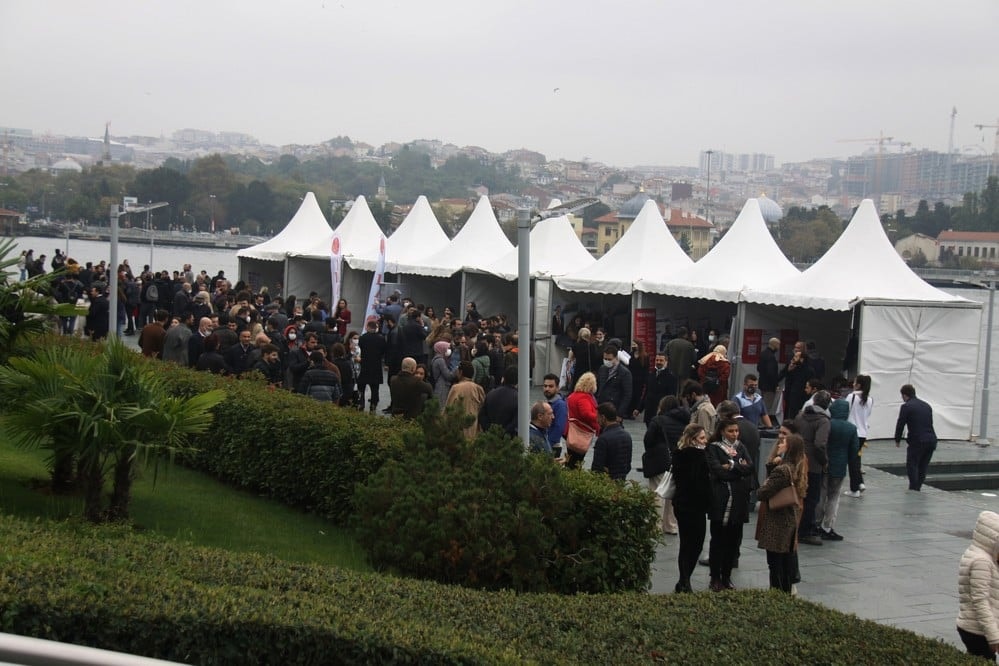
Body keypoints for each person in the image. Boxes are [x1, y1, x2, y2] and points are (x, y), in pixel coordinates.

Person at [705, 418, 755, 591]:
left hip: (739, 502)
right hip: (721, 501)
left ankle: (726, 576)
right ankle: (715, 577)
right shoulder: (713, 448)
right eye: (731, 431)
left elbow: (750, 467)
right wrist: (737, 468)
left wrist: (731, 466)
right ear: (722, 431)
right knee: (718, 540)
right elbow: (718, 471)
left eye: (736, 431)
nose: (734, 434)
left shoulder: (741, 447)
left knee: (733, 542)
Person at [756, 432, 808, 593]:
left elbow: (763, 492)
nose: (779, 445)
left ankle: (777, 596)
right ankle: (784, 593)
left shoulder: (783, 470)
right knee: (785, 562)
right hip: (789, 520)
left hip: (777, 523)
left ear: (789, 448)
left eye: (783, 443)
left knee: (775, 565)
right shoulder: (797, 467)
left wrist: (772, 468)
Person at [671, 423, 711, 593]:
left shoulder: (678, 454)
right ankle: (685, 580)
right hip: (696, 506)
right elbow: (702, 483)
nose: (705, 441)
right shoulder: (700, 457)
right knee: (695, 544)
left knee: (685, 543)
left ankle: (684, 580)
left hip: (681, 504)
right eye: (702, 438)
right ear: (693, 439)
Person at [957, 510, 999, 660]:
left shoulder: (978, 554)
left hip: (972, 626)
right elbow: (980, 601)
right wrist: (994, 637)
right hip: (977, 630)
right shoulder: (982, 562)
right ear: (993, 541)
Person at [815, 398, 859, 541]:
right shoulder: (851, 428)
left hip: (825, 464)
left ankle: (816, 523)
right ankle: (827, 526)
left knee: (821, 494)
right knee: (834, 497)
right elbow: (854, 451)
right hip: (840, 467)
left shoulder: (828, 424)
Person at [643, 396, 687, 535]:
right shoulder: (684, 421)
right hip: (678, 461)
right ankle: (671, 525)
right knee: (672, 495)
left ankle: (655, 525)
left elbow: (648, 440)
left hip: (660, 461)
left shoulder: (658, 420)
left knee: (657, 493)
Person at [794, 390, 831, 546]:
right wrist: (824, 462)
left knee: (797, 495)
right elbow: (820, 445)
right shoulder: (823, 421)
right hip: (813, 465)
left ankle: (794, 527)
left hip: (797, 460)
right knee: (812, 498)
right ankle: (805, 531)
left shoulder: (800, 416)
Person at [895, 384, 938, 491]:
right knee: (923, 465)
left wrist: (897, 439)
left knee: (912, 464)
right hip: (931, 439)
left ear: (904, 395)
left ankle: (914, 487)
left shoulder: (906, 406)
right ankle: (918, 486)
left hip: (918, 440)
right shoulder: (927, 405)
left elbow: (901, 423)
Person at [843, 374, 873, 497]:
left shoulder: (852, 397)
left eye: (855, 382)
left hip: (852, 432)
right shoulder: (870, 399)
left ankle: (854, 488)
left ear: (858, 384)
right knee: (856, 458)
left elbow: (845, 410)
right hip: (863, 433)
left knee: (852, 461)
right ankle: (859, 482)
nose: (853, 384)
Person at [564, 371, 599, 470]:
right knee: (577, 461)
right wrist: (598, 417)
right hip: (581, 431)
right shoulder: (584, 397)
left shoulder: (573, 395)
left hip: (571, 431)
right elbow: (586, 414)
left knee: (570, 459)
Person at [445, 361, 486, 441]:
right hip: (474, 428)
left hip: (459, 429)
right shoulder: (479, 388)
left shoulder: (456, 388)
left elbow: (448, 410)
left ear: (461, 372)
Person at [590, 402, 631, 480]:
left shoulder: (603, 439)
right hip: (621, 479)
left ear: (603, 417)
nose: (596, 420)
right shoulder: (627, 436)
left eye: (597, 417)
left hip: (606, 482)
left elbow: (597, 468)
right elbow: (628, 464)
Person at [635, 352, 677, 424]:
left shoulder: (671, 378)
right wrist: (639, 409)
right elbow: (646, 393)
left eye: (661, 360)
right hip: (649, 411)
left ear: (666, 362)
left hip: (662, 412)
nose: (658, 362)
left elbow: (671, 397)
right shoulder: (651, 375)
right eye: (657, 360)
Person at [478, 366, 519, 437]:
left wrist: (490, 430)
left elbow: (482, 416)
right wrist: (503, 432)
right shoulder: (518, 398)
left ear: (504, 378)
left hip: (490, 438)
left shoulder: (491, 394)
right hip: (509, 440)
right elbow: (516, 422)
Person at [357, 319, 387, 413]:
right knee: (375, 388)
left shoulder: (362, 338)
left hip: (365, 364)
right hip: (376, 365)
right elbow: (383, 351)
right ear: (376, 328)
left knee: (361, 386)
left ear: (368, 327)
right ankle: (373, 406)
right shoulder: (381, 338)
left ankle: (361, 403)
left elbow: (360, 348)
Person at [779, 340, 814, 419]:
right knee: (788, 414)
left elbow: (811, 375)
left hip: (801, 394)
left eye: (798, 348)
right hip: (790, 392)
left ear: (803, 350)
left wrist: (799, 364)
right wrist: (789, 369)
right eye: (795, 347)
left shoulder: (808, 363)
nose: (795, 349)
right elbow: (782, 374)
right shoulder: (791, 360)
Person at [596, 344, 633, 418]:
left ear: (616, 358)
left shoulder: (625, 373)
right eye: (605, 359)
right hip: (601, 406)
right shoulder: (602, 369)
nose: (606, 361)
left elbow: (627, 395)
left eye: (609, 359)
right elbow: (598, 386)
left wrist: (620, 414)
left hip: (615, 408)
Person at [542, 373, 568, 457]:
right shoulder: (549, 402)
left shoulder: (560, 404)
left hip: (551, 446)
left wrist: (547, 445)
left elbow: (559, 427)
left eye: (550, 386)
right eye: (545, 386)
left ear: (557, 388)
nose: (547, 388)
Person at [665, 327, 696, 393]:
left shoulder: (670, 343)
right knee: (683, 392)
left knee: (673, 390)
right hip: (685, 372)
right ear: (685, 334)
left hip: (672, 371)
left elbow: (664, 355)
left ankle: (674, 402)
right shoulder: (689, 345)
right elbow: (694, 359)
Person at [757, 337, 781, 420]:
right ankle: (764, 423)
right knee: (767, 406)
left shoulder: (763, 354)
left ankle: (761, 422)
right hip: (769, 386)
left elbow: (759, 368)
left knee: (763, 404)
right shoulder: (771, 357)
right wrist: (776, 384)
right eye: (778, 345)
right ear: (775, 345)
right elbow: (771, 373)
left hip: (762, 384)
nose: (779, 347)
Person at [429, 340, 456, 412]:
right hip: (442, 387)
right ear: (442, 349)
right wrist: (456, 370)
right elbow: (448, 376)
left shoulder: (436, 359)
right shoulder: (440, 360)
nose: (448, 350)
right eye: (447, 348)